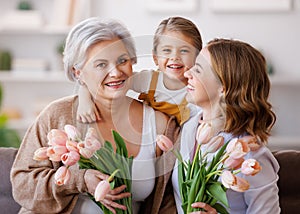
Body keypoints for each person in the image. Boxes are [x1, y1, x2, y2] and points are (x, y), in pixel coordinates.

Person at [10, 17, 178, 214]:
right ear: (78, 72)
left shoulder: (159, 125)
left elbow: (167, 199)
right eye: (101, 64)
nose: (115, 72)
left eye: (122, 61)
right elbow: (22, 185)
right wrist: (78, 180)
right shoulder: (57, 115)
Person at [171, 38, 280, 213]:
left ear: (223, 86)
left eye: (197, 70)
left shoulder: (251, 155)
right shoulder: (189, 127)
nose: (186, 74)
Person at [77, 16, 202, 126]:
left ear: (198, 57)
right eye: (167, 50)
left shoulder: (199, 89)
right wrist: (84, 101)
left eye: (184, 50)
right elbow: (103, 83)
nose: (175, 57)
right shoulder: (148, 80)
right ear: (155, 58)